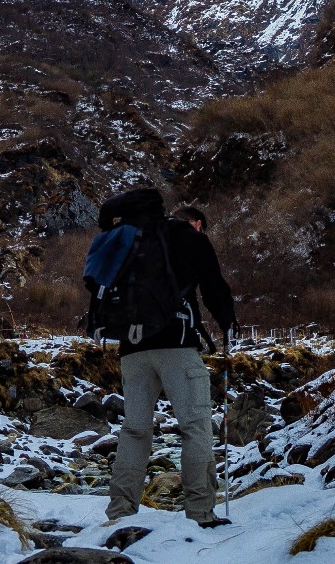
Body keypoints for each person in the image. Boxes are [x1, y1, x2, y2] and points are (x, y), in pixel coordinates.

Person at [99, 189, 236, 529]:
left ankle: (119, 514)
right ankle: (200, 514)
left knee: (135, 430)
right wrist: (228, 325)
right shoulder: (189, 237)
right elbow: (213, 285)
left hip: (131, 348)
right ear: (199, 223)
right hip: (177, 343)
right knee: (196, 427)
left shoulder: (127, 241)